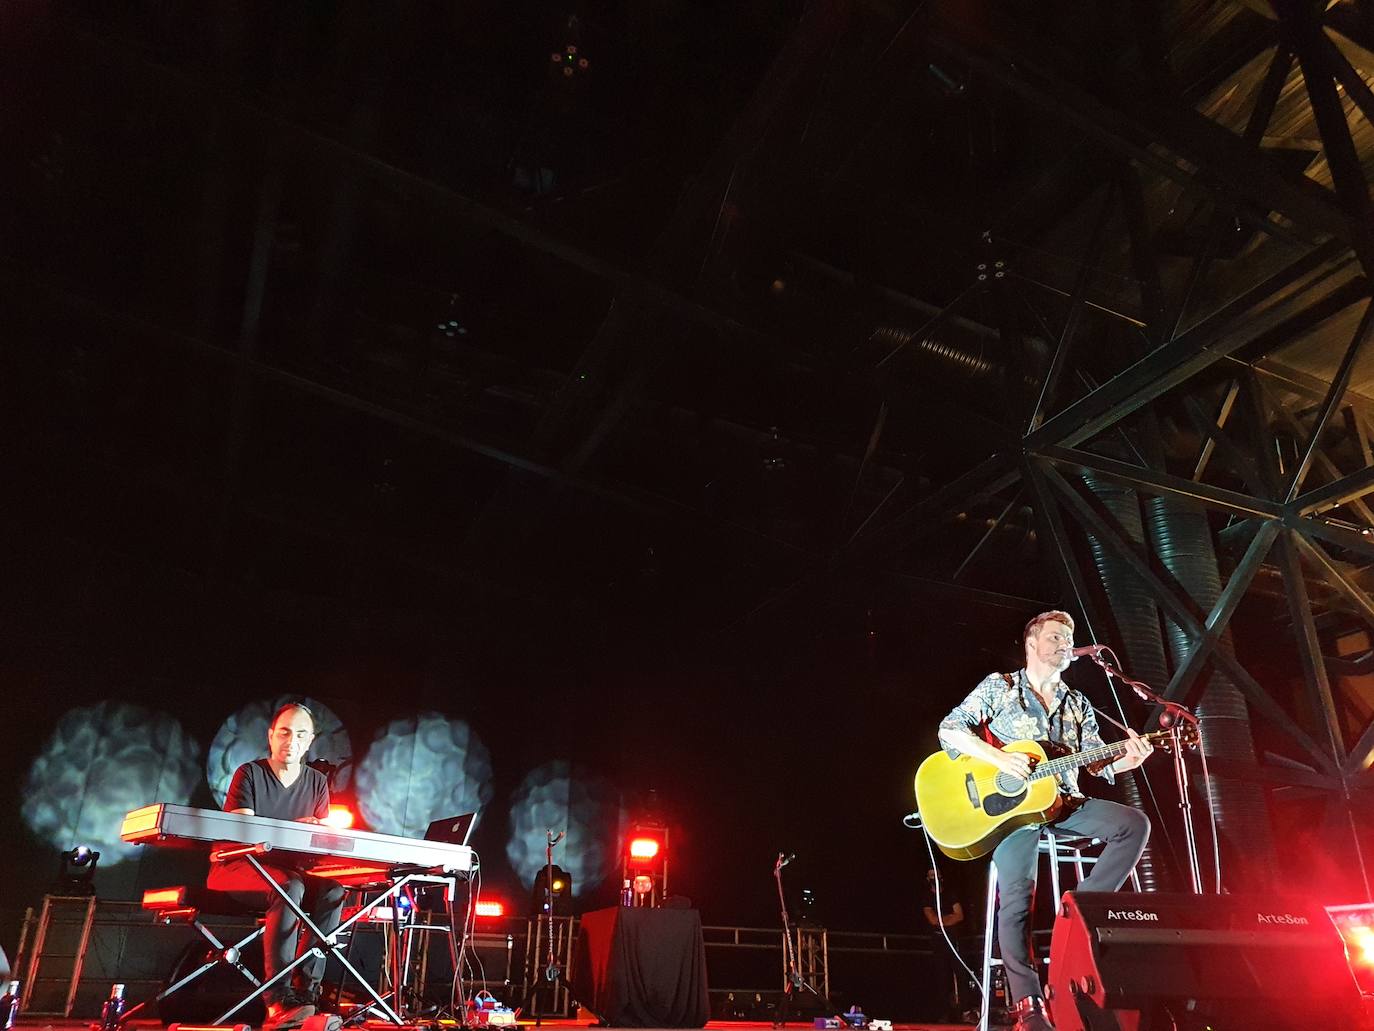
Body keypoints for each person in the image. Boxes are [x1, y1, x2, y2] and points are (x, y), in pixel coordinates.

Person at [937, 611, 1152, 1031]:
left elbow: (1096, 764)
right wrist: (999, 759)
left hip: (1067, 805)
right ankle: (1029, 1005)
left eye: (1069, 637)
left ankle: (1075, 915)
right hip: (1012, 814)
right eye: (1055, 636)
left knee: (1134, 825)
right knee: (1016, 900)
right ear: (1032, 644)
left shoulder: (1078, 703)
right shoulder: (1000, 687)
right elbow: (950, 730)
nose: (1064, 643)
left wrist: (1130, 759)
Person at [207, 702, 345, 1029]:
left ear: (310, 741)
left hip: (287, 874)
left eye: (300, 734)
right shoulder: (250, 774)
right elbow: (245, 837)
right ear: (271, 736)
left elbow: (318, 849)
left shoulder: (317, 783)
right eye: (284, 732)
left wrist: (319, 834)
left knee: (333, 891)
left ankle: (305, 992)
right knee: (289, 885)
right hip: (234, 869)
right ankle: (277, 999)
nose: (291, 741)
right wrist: (299, 828)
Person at [921, 866, 971, 1023]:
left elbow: (960, 915)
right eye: (930, 876)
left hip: (954, 940)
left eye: (936, 875)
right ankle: (944, 1013)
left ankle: (966, 1011)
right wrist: (948, 919)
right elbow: (932, 919)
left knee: (962, 975)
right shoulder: (926, 897)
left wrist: (943, 920)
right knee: (942, 977)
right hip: (938, 942)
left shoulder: (950, 894)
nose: (933, 878)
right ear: (927, 879)